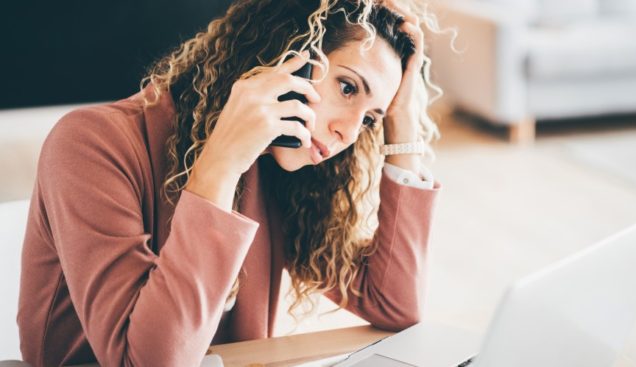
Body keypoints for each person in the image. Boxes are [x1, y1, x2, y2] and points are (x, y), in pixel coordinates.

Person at [17, 0, 443, 365]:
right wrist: (220, 164)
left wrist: (402, 123)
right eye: (347, 88)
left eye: (370, 119)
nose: (349, 134)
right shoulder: (90, 143)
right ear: (286, 54)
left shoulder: (280, 168)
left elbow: (394, 304)